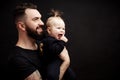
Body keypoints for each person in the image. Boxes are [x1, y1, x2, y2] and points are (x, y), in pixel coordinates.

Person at [8, 2, 45, 80]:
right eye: (35, 19)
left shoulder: (42, 45)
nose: (42, 23)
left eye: (40, 18)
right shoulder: (18, 59)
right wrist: (66, 62)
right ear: (22, 26)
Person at [40, 9, 76, 80]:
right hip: (51, 62)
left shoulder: (56, 40)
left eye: (63, 28)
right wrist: (63, 42)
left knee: (71, 75)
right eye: (58, 28)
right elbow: (56, 50)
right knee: (52, 76)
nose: (62, 30)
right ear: (49, 30)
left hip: (58, 61)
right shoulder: (48, 40)